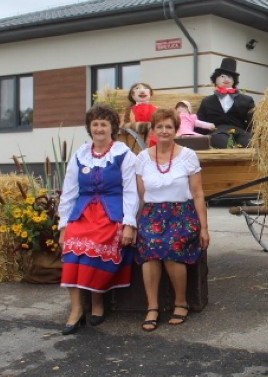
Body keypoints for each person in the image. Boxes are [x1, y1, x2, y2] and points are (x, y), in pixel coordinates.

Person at [57, 104, 139, 335]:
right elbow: (70, 190)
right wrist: (64, 224)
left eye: (104, 124)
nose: (99, 128)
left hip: (111, 213)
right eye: (95, 124)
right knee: (72, 248)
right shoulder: (80, 154)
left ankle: (97, 303)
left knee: (98, 245)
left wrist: (129, 224)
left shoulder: (123, 154)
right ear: (89, 128)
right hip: (83, 213)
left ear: (112, 127)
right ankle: (76, 310)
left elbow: (131, 190)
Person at [135, 108, 210, 330]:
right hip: (152, 214)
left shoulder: (187, 155)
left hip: (182, 214)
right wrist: (132, 224)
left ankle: (180, 301)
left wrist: (204, 228)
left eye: (169, 127)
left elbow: (197, 194)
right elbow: (140, 197)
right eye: (160, 126)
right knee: (150, 243)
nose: (164, 131)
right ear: (153, 130)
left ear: (176, 130)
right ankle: (152, 307)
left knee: (169, 245)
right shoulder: (142, 158)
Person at [196, 57, 255, 148]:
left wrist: (253, 135)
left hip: (240, 131)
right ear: (215, 79)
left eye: (230, 76)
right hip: (217, 132)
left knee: (248, 142)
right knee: (223, 142)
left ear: (234, 80)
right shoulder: (207, 101)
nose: (226, 79)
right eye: (222, 76)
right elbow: (200, 123)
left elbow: (252, 123)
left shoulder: (246, 100)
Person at [124, 82, 158, 147]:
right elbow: (132, 124)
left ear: (150, 93)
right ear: (132, 94)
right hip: (138, 135)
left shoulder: (156, 108)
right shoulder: (131, 110)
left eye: (145, 88)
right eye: (137, 88)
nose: (142, 91)